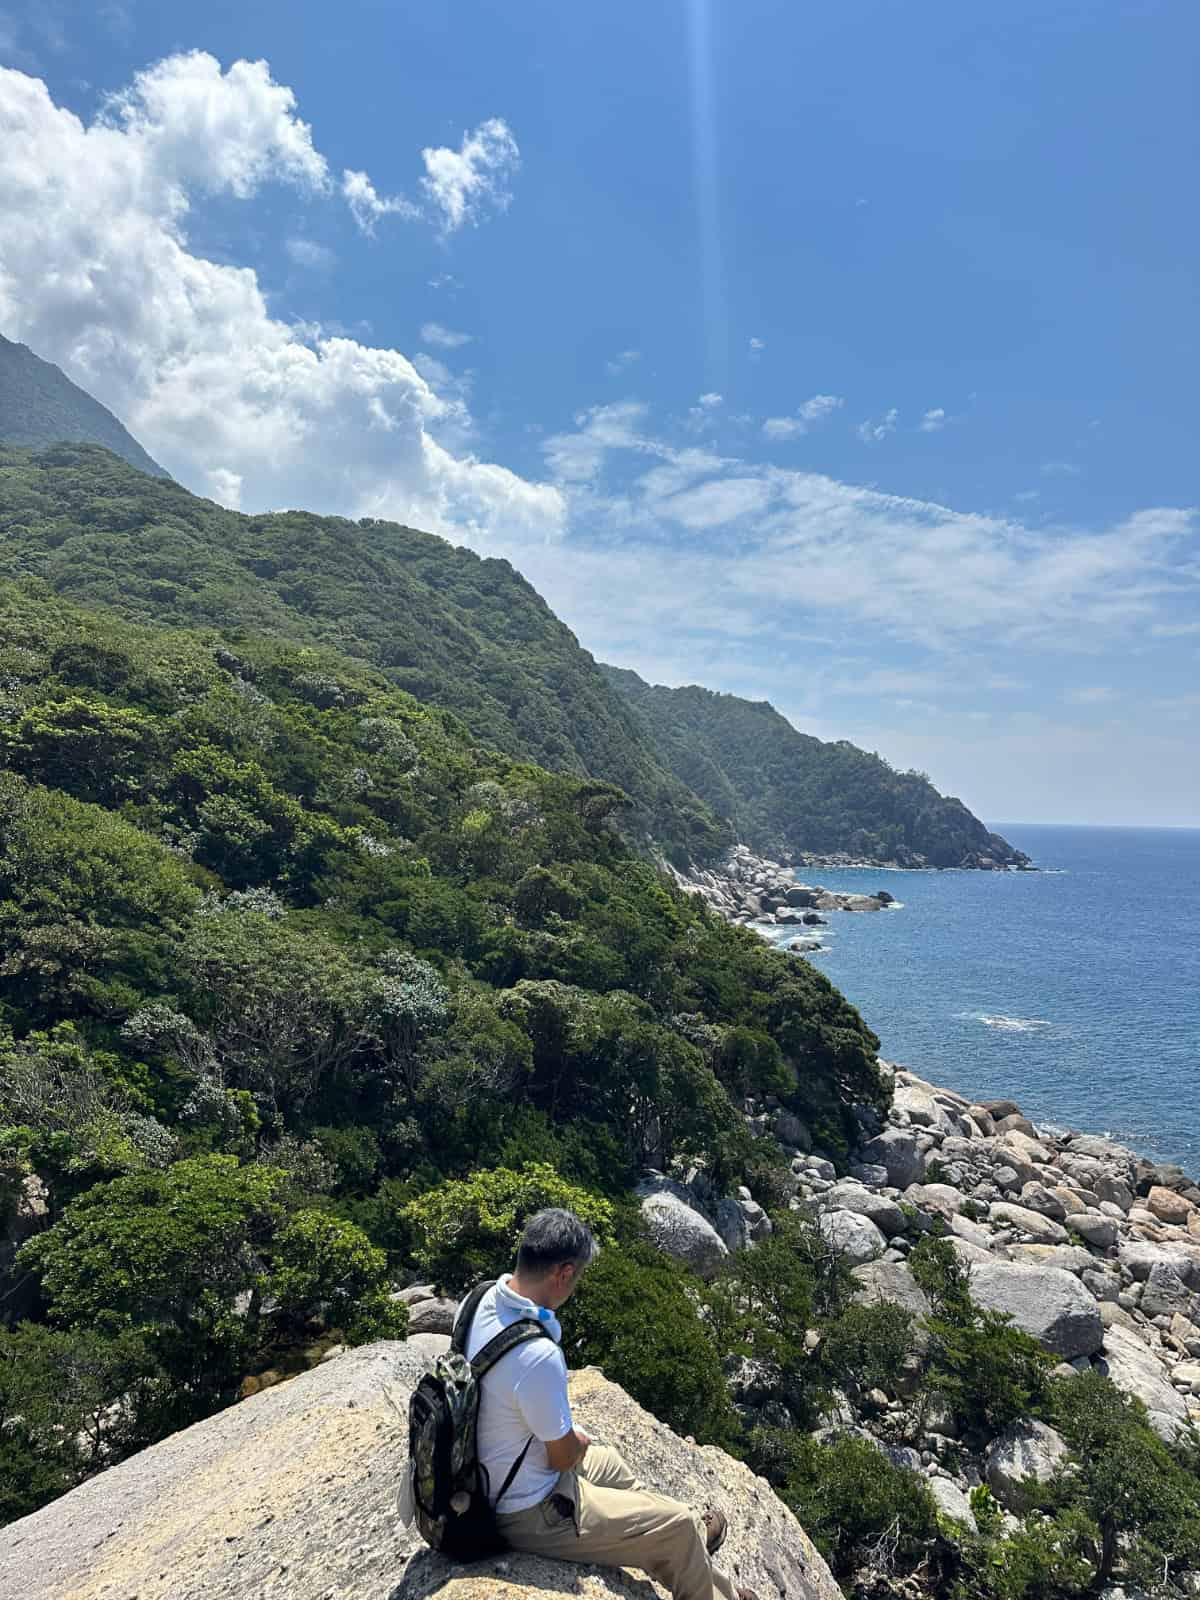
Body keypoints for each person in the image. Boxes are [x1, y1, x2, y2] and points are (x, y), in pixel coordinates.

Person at [457, 1207, 755, 1600]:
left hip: (485, 1472)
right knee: (679, 1525)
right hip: (525, 1510)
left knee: (610, 1464)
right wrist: (576, 1443)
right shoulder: (536, 1354)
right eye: (577, 1277)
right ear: (564, 1273)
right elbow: (562, 1457)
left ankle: (699, 1566)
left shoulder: (477, 1299)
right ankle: (689, 1542)